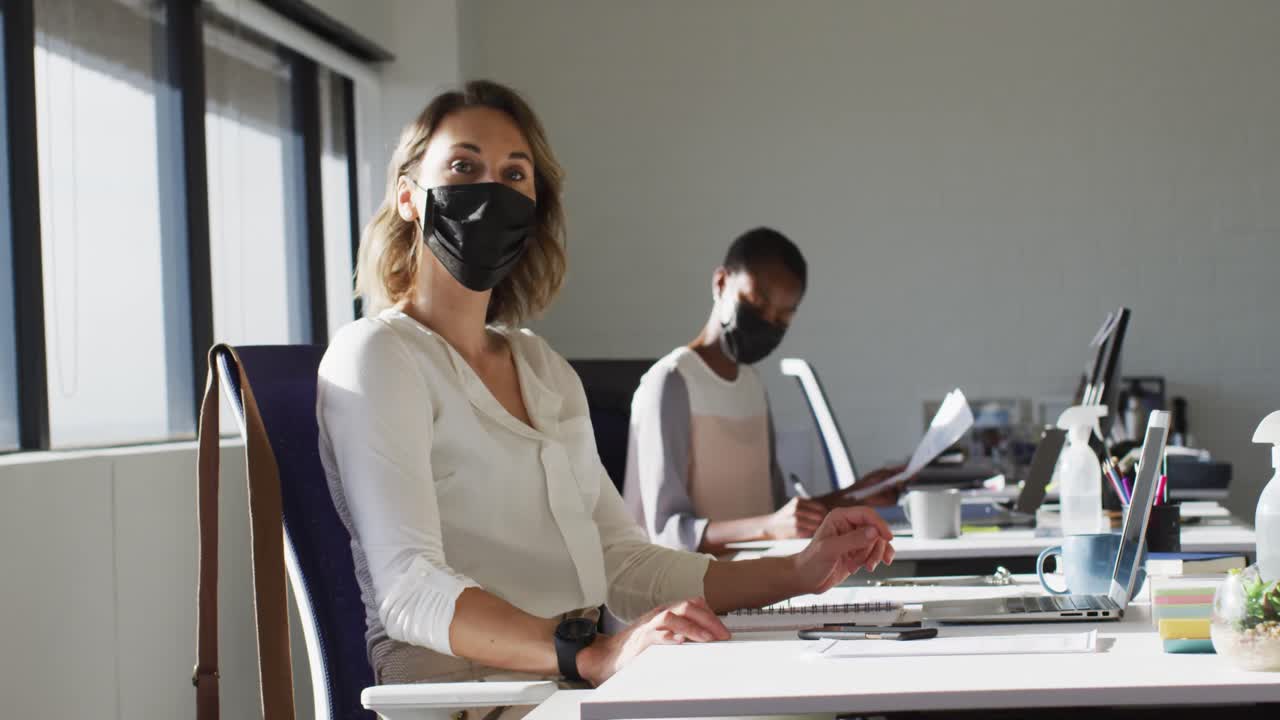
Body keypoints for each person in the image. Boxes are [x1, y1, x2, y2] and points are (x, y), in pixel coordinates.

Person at [317, 80, 894, 718]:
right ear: (408, 196)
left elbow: (620, 561)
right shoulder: (378, 355)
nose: (491, 190)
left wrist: (799, 572)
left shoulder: (542, 367)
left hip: (580, 690)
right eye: (463, 166)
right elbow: (408, 587)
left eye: (515, 174)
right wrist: (589, 654)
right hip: (479, 702)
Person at [624, 229, 904, 555]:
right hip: (686, 584)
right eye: (757, 303)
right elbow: (667, 533)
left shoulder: (752, 385)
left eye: (783, 317)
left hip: (750, 577)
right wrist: (769, 527)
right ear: (721, 283)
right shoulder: (671, 382)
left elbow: (774, 513)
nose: (768, 321)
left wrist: (854, 496)